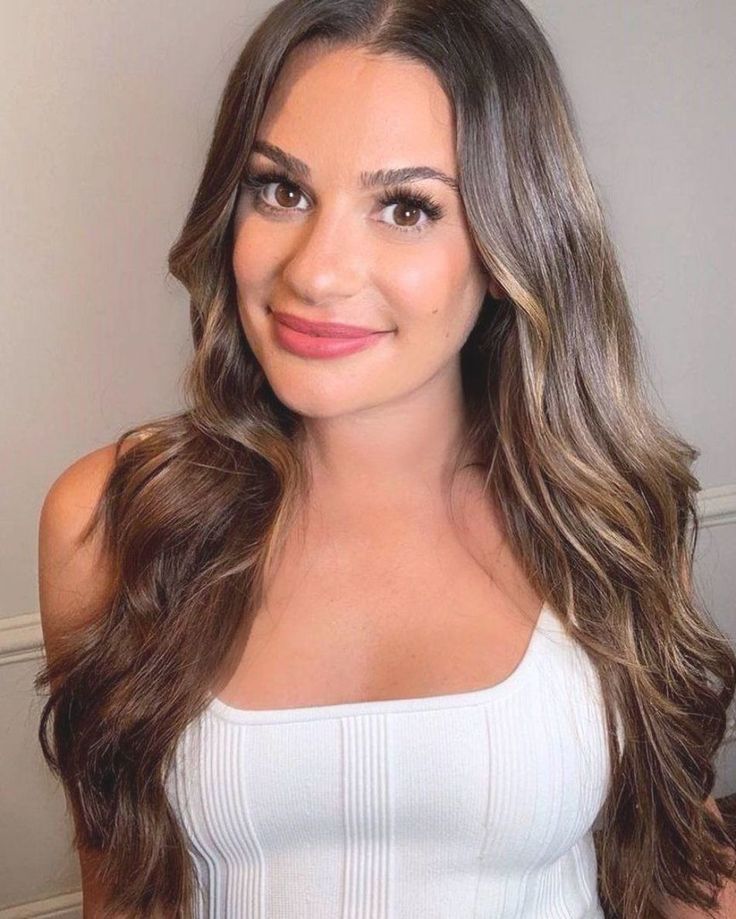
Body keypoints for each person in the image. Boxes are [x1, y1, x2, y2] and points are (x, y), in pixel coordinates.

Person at [36, 1, 736, 917]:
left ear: (510, 237)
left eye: (406, 206)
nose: (318, 272)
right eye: (280, 190)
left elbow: (678, 875)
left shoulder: (605, 515)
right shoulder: (112, 520)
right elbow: (121, 897)